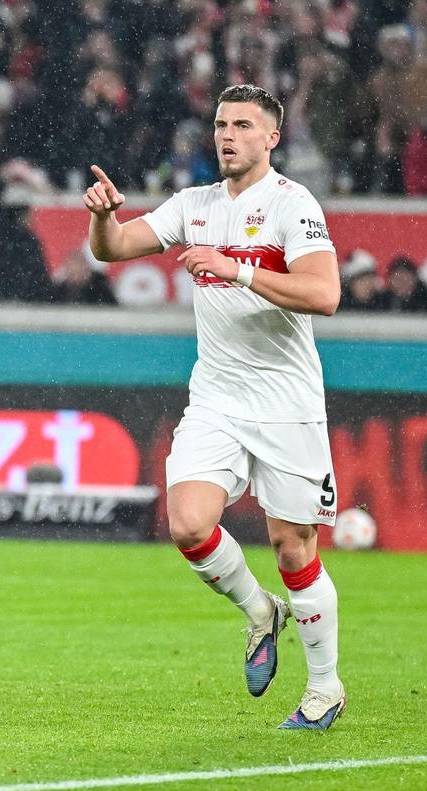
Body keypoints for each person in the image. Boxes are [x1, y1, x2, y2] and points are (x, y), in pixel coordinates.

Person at [84, 84, 345, 730]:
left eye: (243, 126)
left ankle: (324, 687)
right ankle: (261, 610)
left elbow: (324, 294)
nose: (228, 135)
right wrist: (104, 217)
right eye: (222, 124)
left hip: (286, 403)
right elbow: (113, 249)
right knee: (188, 524)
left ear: (272, 138)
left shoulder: (292, 205)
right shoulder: (193, 205)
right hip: (217, 400)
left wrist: (239, 271)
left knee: (293, 547)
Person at [0, 158, 51, 302]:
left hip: (1, 302)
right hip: (24, 304)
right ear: (22, 215)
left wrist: (0, 183)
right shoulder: (28, 243)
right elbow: (41, 281)